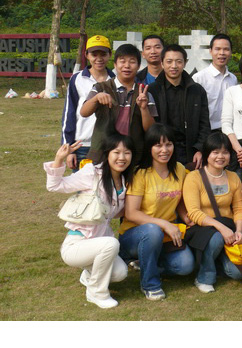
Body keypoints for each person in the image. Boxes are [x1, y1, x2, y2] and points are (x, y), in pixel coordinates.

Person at [44, 134, 134, 308]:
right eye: (116, 152)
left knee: (120, 273)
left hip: (99, 242)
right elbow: (55, 186)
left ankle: (88, 276)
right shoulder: (92, 173)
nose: (122, 157)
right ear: (107, 154)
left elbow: (117, 212)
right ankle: (97, 293)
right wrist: (59, 159)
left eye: (127, 153)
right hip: (77, 244)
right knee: (111, 244)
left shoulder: (125, 181)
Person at [118, 123, 194, 301]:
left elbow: (178, 200)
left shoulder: (179, 169)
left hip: (165, 235)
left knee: (186, 266)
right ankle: (150, 284)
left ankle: (147, 263)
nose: (164, 150)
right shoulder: (140, 174)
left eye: (168, 144)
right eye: (158, 145)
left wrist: (187, 218)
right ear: (149, 147)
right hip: (136, 235)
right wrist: (164, 224)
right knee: (153, 231)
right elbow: (131, 213)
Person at [182, 132, 242, 293]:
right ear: (206, 154)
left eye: (225, 152)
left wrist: (239, 231)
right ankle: (204, 276)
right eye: (215, 152)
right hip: (202, 229)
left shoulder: (233, 177)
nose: (220, 156)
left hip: (229, 228)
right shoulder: (194, 178)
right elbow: (193, 212)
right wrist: (221, 228)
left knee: (237, 273)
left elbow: (239, 209)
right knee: (216, 237)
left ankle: (214, 260)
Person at [81, 43, 157, 165]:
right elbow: (84, 112)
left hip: (133, 156)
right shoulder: (101, 87)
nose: (127, 66)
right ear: (115, 65)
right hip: (103, 153)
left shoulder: (145, 93)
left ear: (138, 66)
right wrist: (96, 98)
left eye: (132, 62)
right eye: (122, 61)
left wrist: (144, 108)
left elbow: (150, 129)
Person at [148, 44, 211, 169]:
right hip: (162, 151)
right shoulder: (152, 90)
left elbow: (204, 124)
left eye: (178, 61)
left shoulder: (197, 90)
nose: (174, 66)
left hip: (190, 152)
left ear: (185, 63)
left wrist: (199, 149)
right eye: (169, 61)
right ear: (162, 63)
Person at [61, 35, 115, 171]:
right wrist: (69, 147)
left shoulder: (116, 79)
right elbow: (69, 113)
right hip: (81, 145)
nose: (99, 59)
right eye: (94, 54)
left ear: (110, 55)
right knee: (82, 184)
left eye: (103, 54)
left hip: (109, 144)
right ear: (86, 55)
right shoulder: (77, 79)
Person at [192, 34, 238, 134]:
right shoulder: (199, 78)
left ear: (230, 52)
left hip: (229, 131)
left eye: (226, 49)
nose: (222, 53)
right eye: (217, 49)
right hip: (206, 131)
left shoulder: (233, 79)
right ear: (210, 51)